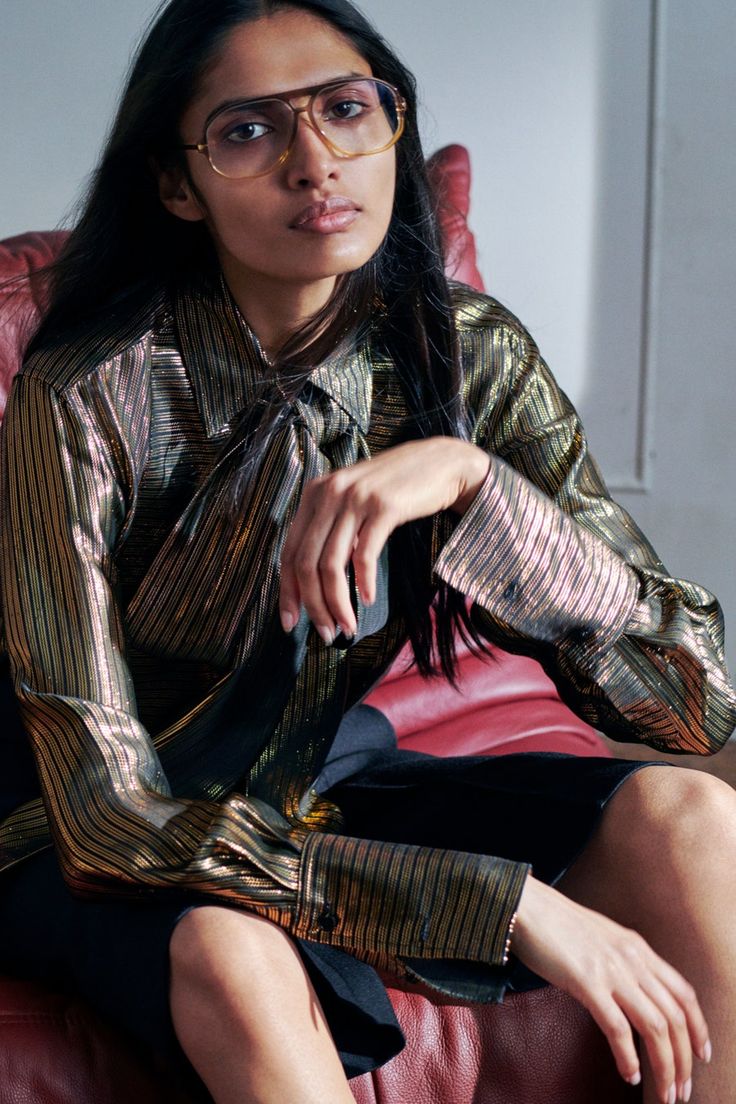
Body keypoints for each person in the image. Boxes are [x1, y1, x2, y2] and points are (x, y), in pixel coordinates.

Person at [1, 2, 735, 1103]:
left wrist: (473, 485)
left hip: (317, 787)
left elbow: (694, 705)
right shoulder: (83, 394)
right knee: (231, 953)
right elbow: (110, 821)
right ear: (175, 182)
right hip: (95, 829)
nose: (315, 163)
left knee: (687, 813)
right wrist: (503, 902)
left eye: (348, 111)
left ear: (393, 128)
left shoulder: (466, 353)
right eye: (249, 132)